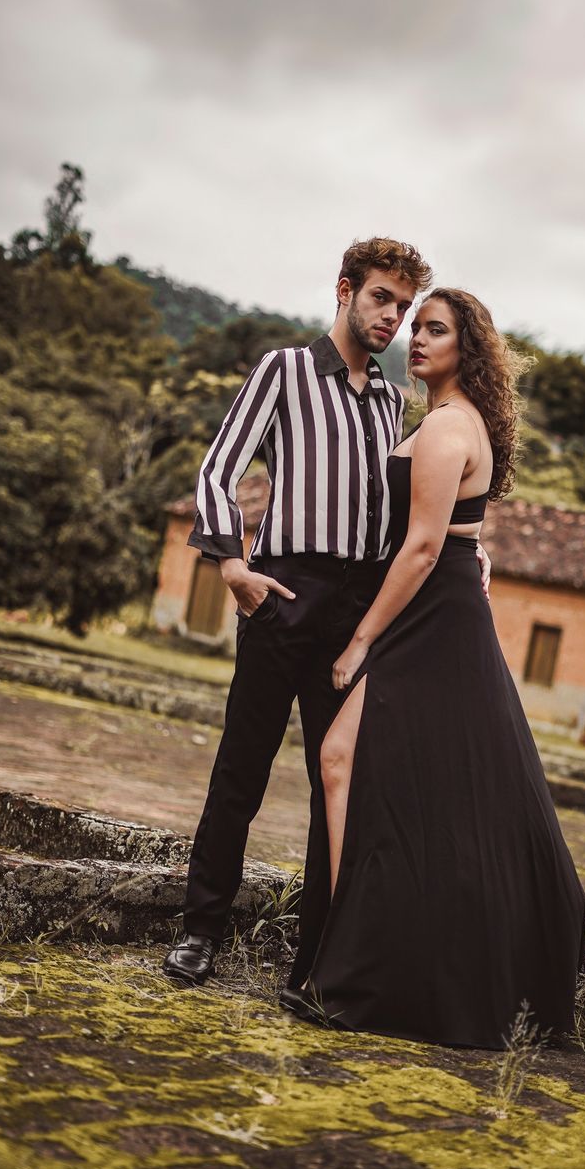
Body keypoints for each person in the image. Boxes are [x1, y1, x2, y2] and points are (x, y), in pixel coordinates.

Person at [281, 288, 585, 1049]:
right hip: (434, 603)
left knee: (343, 756)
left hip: (430, 614)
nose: (416, 338)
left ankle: (347, 965)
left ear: (467, 347)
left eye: (435, 329)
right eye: (414, 327)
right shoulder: (441, 422)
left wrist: (358, 644)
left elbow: (421, 547)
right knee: (371, 768)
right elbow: (446, 534)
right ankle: (353, 956)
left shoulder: (450, 427)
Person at [162, 238, 455, 984]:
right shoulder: (285, 370)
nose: (392, 317)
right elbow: (218, 469)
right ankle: (199, 931)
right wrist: (232, 565)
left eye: (404, 306)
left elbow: (402, 513)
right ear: (345, 290)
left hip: (355, 614)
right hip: (283, 594)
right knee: (240, 775)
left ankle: (322, 950)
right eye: (381, 298)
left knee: (341, 781)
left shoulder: (393, 401)